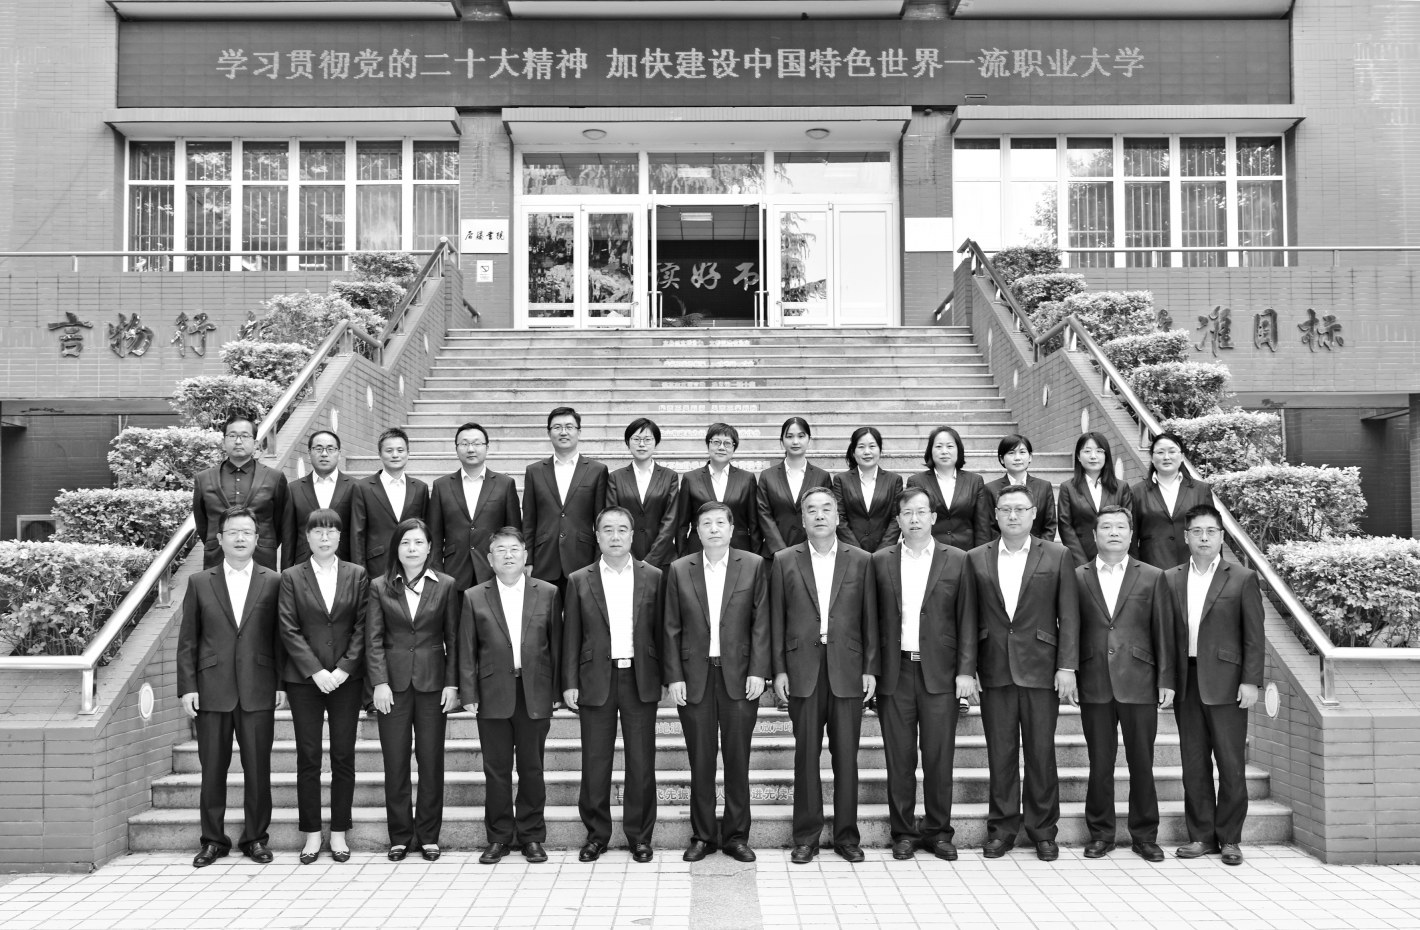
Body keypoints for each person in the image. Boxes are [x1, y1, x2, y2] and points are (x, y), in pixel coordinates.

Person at [967, 484, 1079, 862]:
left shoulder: (1058, 555)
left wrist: (1067, 666)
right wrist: (968, 668)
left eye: (1020, 509)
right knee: (1000, 755)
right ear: (995, 515)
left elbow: (1069, 615)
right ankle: (1001, 830)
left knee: (1040, 754)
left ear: (1033, 514)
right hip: (994, 668)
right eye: (1005, 509)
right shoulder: (976, 558)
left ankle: (1043, 831)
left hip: (1042, 669)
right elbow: (967, 618)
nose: (1012, 515)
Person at [771, 487, 879, 864]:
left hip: (847, 670)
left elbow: (871, 620)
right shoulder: (784, 560)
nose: (819, 515)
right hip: (802, 670)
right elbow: (775, 620)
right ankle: (806, 837)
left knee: (846, 757)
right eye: (812, 510)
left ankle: (847, 836)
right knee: (805, 757)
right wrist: (778, 670)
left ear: (837, 517)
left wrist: (870, 668)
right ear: (802, 519)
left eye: (826, 509)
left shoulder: (861, 560)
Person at [872, 486, 977, 861]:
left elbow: (968, 619)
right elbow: (871, 622)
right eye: (907, 513)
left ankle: (938, 832)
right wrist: (871, 671)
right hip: (895, 672)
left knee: (938, 757)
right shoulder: (880, 560)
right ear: (898, 519)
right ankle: (902, 832)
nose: (914, 519)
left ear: (933, 517)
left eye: (921, 512)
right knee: (899, 758)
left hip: (941, 674)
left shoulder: (958, 559)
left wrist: (966, 671)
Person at [176, 506, 284, 868]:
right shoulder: (199, 582)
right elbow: (188, 640)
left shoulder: (273, 581)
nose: (240, 538)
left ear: (257, 539)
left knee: (258, 769)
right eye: (233, 532)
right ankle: (213, 841)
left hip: (258, 687)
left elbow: (280, 637)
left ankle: (256, 838)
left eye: (247, 532)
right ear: (220, 539)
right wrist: (187, 687)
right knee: (212, 770)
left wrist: (281, 683)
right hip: (211, 690)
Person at [664, 501, 770, 863]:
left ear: (731, 528)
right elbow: (670, 627)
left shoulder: (752, 565)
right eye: (706, 523)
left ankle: (737, 836)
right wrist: (674, 676)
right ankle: (704, 836)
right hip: (695, 678)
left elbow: (761, 623)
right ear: (697, 530)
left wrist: (758, 670)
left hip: (739, 677)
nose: (713, 529)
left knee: (738, 760)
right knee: (701, 761)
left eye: (719, 523)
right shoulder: (680, 569)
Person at [1075, 505, 1176, 863]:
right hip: (1094, 681)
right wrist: (1070, 672)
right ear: (1094, 535)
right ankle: (1100, 834)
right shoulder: (1078, 576)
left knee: (1141, 762)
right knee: (1099, 763)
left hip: (1140, 681)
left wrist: (1166, 678)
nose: (1114, 532)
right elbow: (1071, 629)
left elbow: (1163, 630)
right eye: (1106, 527)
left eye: (1120, 527)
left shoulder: (1152, 576)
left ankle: (1145, 836)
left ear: (1131, 534)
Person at [562, 506, 663, 863]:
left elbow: (662, 630)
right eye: (608, 529)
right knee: (595, 761)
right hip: (595, 679)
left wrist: (668, 676)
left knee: (641, 761)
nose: (615, 536)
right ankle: (596, 835)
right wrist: (569, 682)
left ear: (632, 535)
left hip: (639, 677)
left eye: (622, 529)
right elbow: (571, 636)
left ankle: (640, 836)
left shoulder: (654, 576)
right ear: (597, 535)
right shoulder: (579, 579)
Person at [1166, 504, 1264, 866]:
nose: (1204, 538)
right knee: (1194, 764)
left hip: (1227, 683)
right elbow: (1165, 635)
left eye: (1210, 531)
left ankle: (1230, 838)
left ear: (1221, 536)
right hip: (1187, 681)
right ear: (1186, 537)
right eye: (1197, 531)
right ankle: (1201, 836)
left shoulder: (1242, 578)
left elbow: (1254, 636)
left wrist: (1251, 681)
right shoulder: (1171, 578)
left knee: (1230, 763)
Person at [460, 527, 562, 865]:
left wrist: (558, 690)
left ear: (525, 555)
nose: (508, 555)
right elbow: (467, 649)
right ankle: (499, 837)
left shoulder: (547, 592)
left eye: (514, 549)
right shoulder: (474, 596)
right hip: (492, 693)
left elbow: (557, 646)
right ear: (490, 559)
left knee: (532, 768)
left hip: (535, 691)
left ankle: (532, 836)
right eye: (500, 550)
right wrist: (469, 691)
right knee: (496, 770)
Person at [277, 508, 368, 865]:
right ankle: (312, 833)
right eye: (318, 531)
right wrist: (315, 671)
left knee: (343, 756)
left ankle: (340, 832)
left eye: (331, 531)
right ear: (307, 537)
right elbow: (288, 627)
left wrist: (344, 668)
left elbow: (364, 625)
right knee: (309, 756)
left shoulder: (357, 574)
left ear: (340, 537)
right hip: (305, 680)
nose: (325, 537)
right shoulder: (291, 576)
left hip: (347, 680)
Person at [365, 518, 459, 862]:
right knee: (395, 761)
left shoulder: (446, 585)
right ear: (396, 548)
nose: (412, 549)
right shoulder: (380, 586)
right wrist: (379, 682)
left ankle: (430, 836)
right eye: (405, 542)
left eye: (419, 542)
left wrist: (452, 683)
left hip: (434, 685)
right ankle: (401, 836)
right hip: (393, 687)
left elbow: (454, 638)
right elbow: (373, 639)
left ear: (430, 547)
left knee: (431, 761)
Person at [522, 406, 610, 591]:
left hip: (583, 560)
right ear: (549, 433)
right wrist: (527, 559)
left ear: (579, 432)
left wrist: (599, 559)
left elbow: (601, 520)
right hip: (544, 560)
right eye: (557, 427)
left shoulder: (596, 470)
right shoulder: (534, 471)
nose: (563, 432)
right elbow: (529, 519)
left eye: (569, 427)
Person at [191, 413, 293, 570]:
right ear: (224, 441)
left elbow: (281, 524)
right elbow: (202, 523)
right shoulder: (203, 479)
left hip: (262, 560)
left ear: (255, 443)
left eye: (245, 436)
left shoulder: (274, 478)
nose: (238, 441)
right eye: (232, 436)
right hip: (217, 559)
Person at [427, 422, 522, 590]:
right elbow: (434, 535)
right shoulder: (441, 486)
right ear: (456, 449)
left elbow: (513, 532)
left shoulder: (505, 484)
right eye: (464, 444)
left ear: (487, 447)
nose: (471, 449)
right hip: (454, 573)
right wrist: (437, 573)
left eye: (477, 443)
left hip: (494, 572)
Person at [351, 428, 431, 579]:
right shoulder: (363, 487)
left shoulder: (420, 488)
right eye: (389, 450)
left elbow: (427, 530)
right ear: (380, 454)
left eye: (400, 450)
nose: (395, 455)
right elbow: (357, 534)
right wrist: (360, 574)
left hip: (413, 567)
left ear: (408, 453)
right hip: (377, 567)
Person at [1131, 432, 1213, 570]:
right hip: (1151, 570)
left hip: (1194, 569)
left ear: (1182, 457)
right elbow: (1131, 538)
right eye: (1160, 452)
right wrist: (1135, 570)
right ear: (1152, 458)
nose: (1166, 457)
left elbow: (1212, 531)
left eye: (1172, 451)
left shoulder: (1200, 490)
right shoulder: (1136, 492)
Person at [606, 417, 680, 570]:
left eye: (647, 439)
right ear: (628, 443)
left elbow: (670, 521)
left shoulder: (669, 477)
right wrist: (631, 559)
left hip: (662, 560)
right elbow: (613, 518)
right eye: (636, 439)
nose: (641, 444)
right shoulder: (616, 478)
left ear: (656, 442)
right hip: (624, 561)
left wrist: (651, 560)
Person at [676, 422, 760, 556]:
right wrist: (682, 556)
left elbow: (754, 524)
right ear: (708, 444)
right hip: (698, 550)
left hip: (739, 550)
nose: (721, 447)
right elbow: (682, 525)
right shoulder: (690, 478)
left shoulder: (747, 479)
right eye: (716, 442)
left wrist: (755, 557)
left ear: (734, 448)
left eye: (727, 443)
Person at [905, 425, 991, 552]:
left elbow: (982, 526)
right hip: (930, 553)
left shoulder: (974, 481)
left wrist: (981, 555)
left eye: (950, 446)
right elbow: (911, 520)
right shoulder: (916, 482)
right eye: (938, 446)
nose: (944, 451)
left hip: (966, 553)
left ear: (958, 450)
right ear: (930, 450)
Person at [756, 416, 832, 558]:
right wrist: (780, 551)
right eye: (790, 436)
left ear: (809, 440)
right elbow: (764, 514)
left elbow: (827, 514)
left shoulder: (822, 477)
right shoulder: (767, 476)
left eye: (801, 436)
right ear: (782, 441)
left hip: (813, 553)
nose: (795, 441)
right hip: (774, 556)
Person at [1058, 431, 1135, 567]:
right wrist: (1082, 564)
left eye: (1099, 451)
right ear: (1078, 456)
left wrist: (1115, 558)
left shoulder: (1121, 487)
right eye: (1087, 451)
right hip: (1081, 560)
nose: (1093, 456)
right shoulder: (1068, 488)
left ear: (1106, 456)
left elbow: (1127, 524)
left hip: (1115, 560)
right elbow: (1065, 527)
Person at [831, 426, 903, 553]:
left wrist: (882, 552)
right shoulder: (841, 480)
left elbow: (896, 519)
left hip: (885, 554)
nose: (867, 452)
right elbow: (839, 518)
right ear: (853, 452)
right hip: (851, 553)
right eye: (861, 447)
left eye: (872, 446)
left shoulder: (894, 480)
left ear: (880, 450)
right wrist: (858, 552)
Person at [289, 430, 355, 565]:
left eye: (330, 449)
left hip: (344, 565)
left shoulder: (355, 487)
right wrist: (286, 570)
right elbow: (288, 535)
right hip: (304, 565)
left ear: (339, 454)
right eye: (318, 449)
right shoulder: (293, 489)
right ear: (309, 453)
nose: (324, 454)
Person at [984, 434, 1058, 542]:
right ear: (1002, 459)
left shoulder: (1044, 486)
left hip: (1038, 549)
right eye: (1011, 453)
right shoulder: (990, 489)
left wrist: (1038, 548)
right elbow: (990, 527)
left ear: (1030, 457)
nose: (1017, 458)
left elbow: (1050, 525)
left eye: (1022, 452)